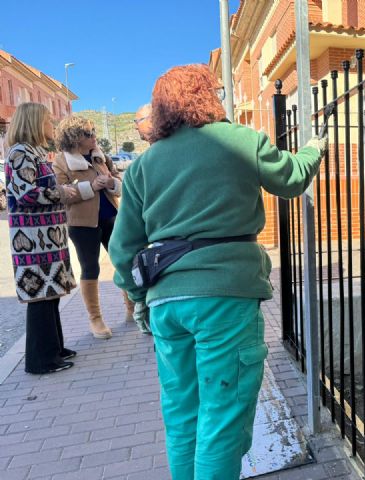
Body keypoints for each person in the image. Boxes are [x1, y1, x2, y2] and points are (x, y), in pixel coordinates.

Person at [109, 64, 327, 479]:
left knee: (182, 414)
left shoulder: (142, 165)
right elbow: (292, 178)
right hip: (225, 297)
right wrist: (314, 148)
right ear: (207, 96)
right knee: (222, 417)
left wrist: (139, 301)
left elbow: (123, 250)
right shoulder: (239, 140)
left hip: (166, 305)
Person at [4, 103, 77, 373]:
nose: (52, 125)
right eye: (48, 120)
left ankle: (54, 348)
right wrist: (62, 192)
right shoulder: (20, 152)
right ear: (35, 122)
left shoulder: (34, 152)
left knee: (51, 294)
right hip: (33, 240)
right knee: (40, 297)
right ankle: (41, 360)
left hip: (47, 237)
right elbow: (26, 194)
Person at [52, 116, 132, 339]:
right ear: (75, 137)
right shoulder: (62, 161)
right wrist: (90, 187)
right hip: (82, 223)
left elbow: (118, 182)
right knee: (90, 269)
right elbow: (61, 194)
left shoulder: (100, 156)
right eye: (88, 133)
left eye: (94, 131)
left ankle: (132, 309)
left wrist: (111, 183)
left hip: (111, 217)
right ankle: (95, 319)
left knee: (124, 262)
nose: (94, 136)